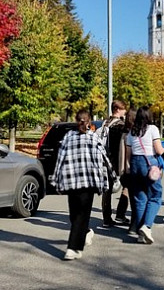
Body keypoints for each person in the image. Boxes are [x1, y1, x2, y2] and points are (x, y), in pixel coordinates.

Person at [52, 110, 116, 260]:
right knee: (78, 215)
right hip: (86, 181)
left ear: (77, 121)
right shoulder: (90, 137)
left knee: (77, 214)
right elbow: (105, 158)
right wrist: (112, 176)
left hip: (76, 181)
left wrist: (56, 179)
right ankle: (85, 233)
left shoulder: (72, 137)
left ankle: (73, 247)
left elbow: (60, 159)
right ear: (89, 122)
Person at [125, 106, 164, 244]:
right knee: (155, 195)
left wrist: (129, 169)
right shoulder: (152, 129)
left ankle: (141, 233)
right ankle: (146, 226)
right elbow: (159, 150)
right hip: (149, 163)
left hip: (135, 164)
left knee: (139, 199)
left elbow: (128, 155)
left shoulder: (131, 132)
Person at [99, 100, 127, 227]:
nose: (125, 111)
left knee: (107, 189)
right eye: (123, 109)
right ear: (117, 110)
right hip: (116, 159)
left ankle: (106, 218)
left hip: (104, 158)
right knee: (127, 185)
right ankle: (120, 214)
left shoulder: (105, 123)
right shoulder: (120, 125)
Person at [117, 108, 137, 233]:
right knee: (134, 193)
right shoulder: (134, 134)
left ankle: (120, 213)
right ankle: (134, 223)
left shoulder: (124, 133)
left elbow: (121, 154)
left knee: (126, 189)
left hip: (124, 168)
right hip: (132, 168)